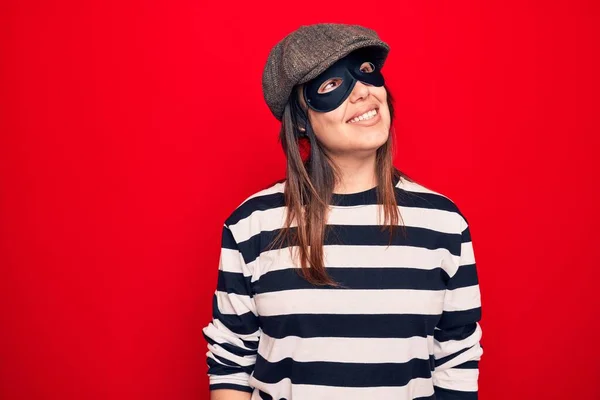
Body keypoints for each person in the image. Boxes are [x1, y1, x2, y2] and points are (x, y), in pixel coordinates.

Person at [202, 23, 483, 400]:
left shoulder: (443, 223)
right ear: (301, 120)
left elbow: (457, 362)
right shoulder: (252, 224)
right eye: (332, 86)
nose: (363, 92)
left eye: (366, 72)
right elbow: (231, 363)